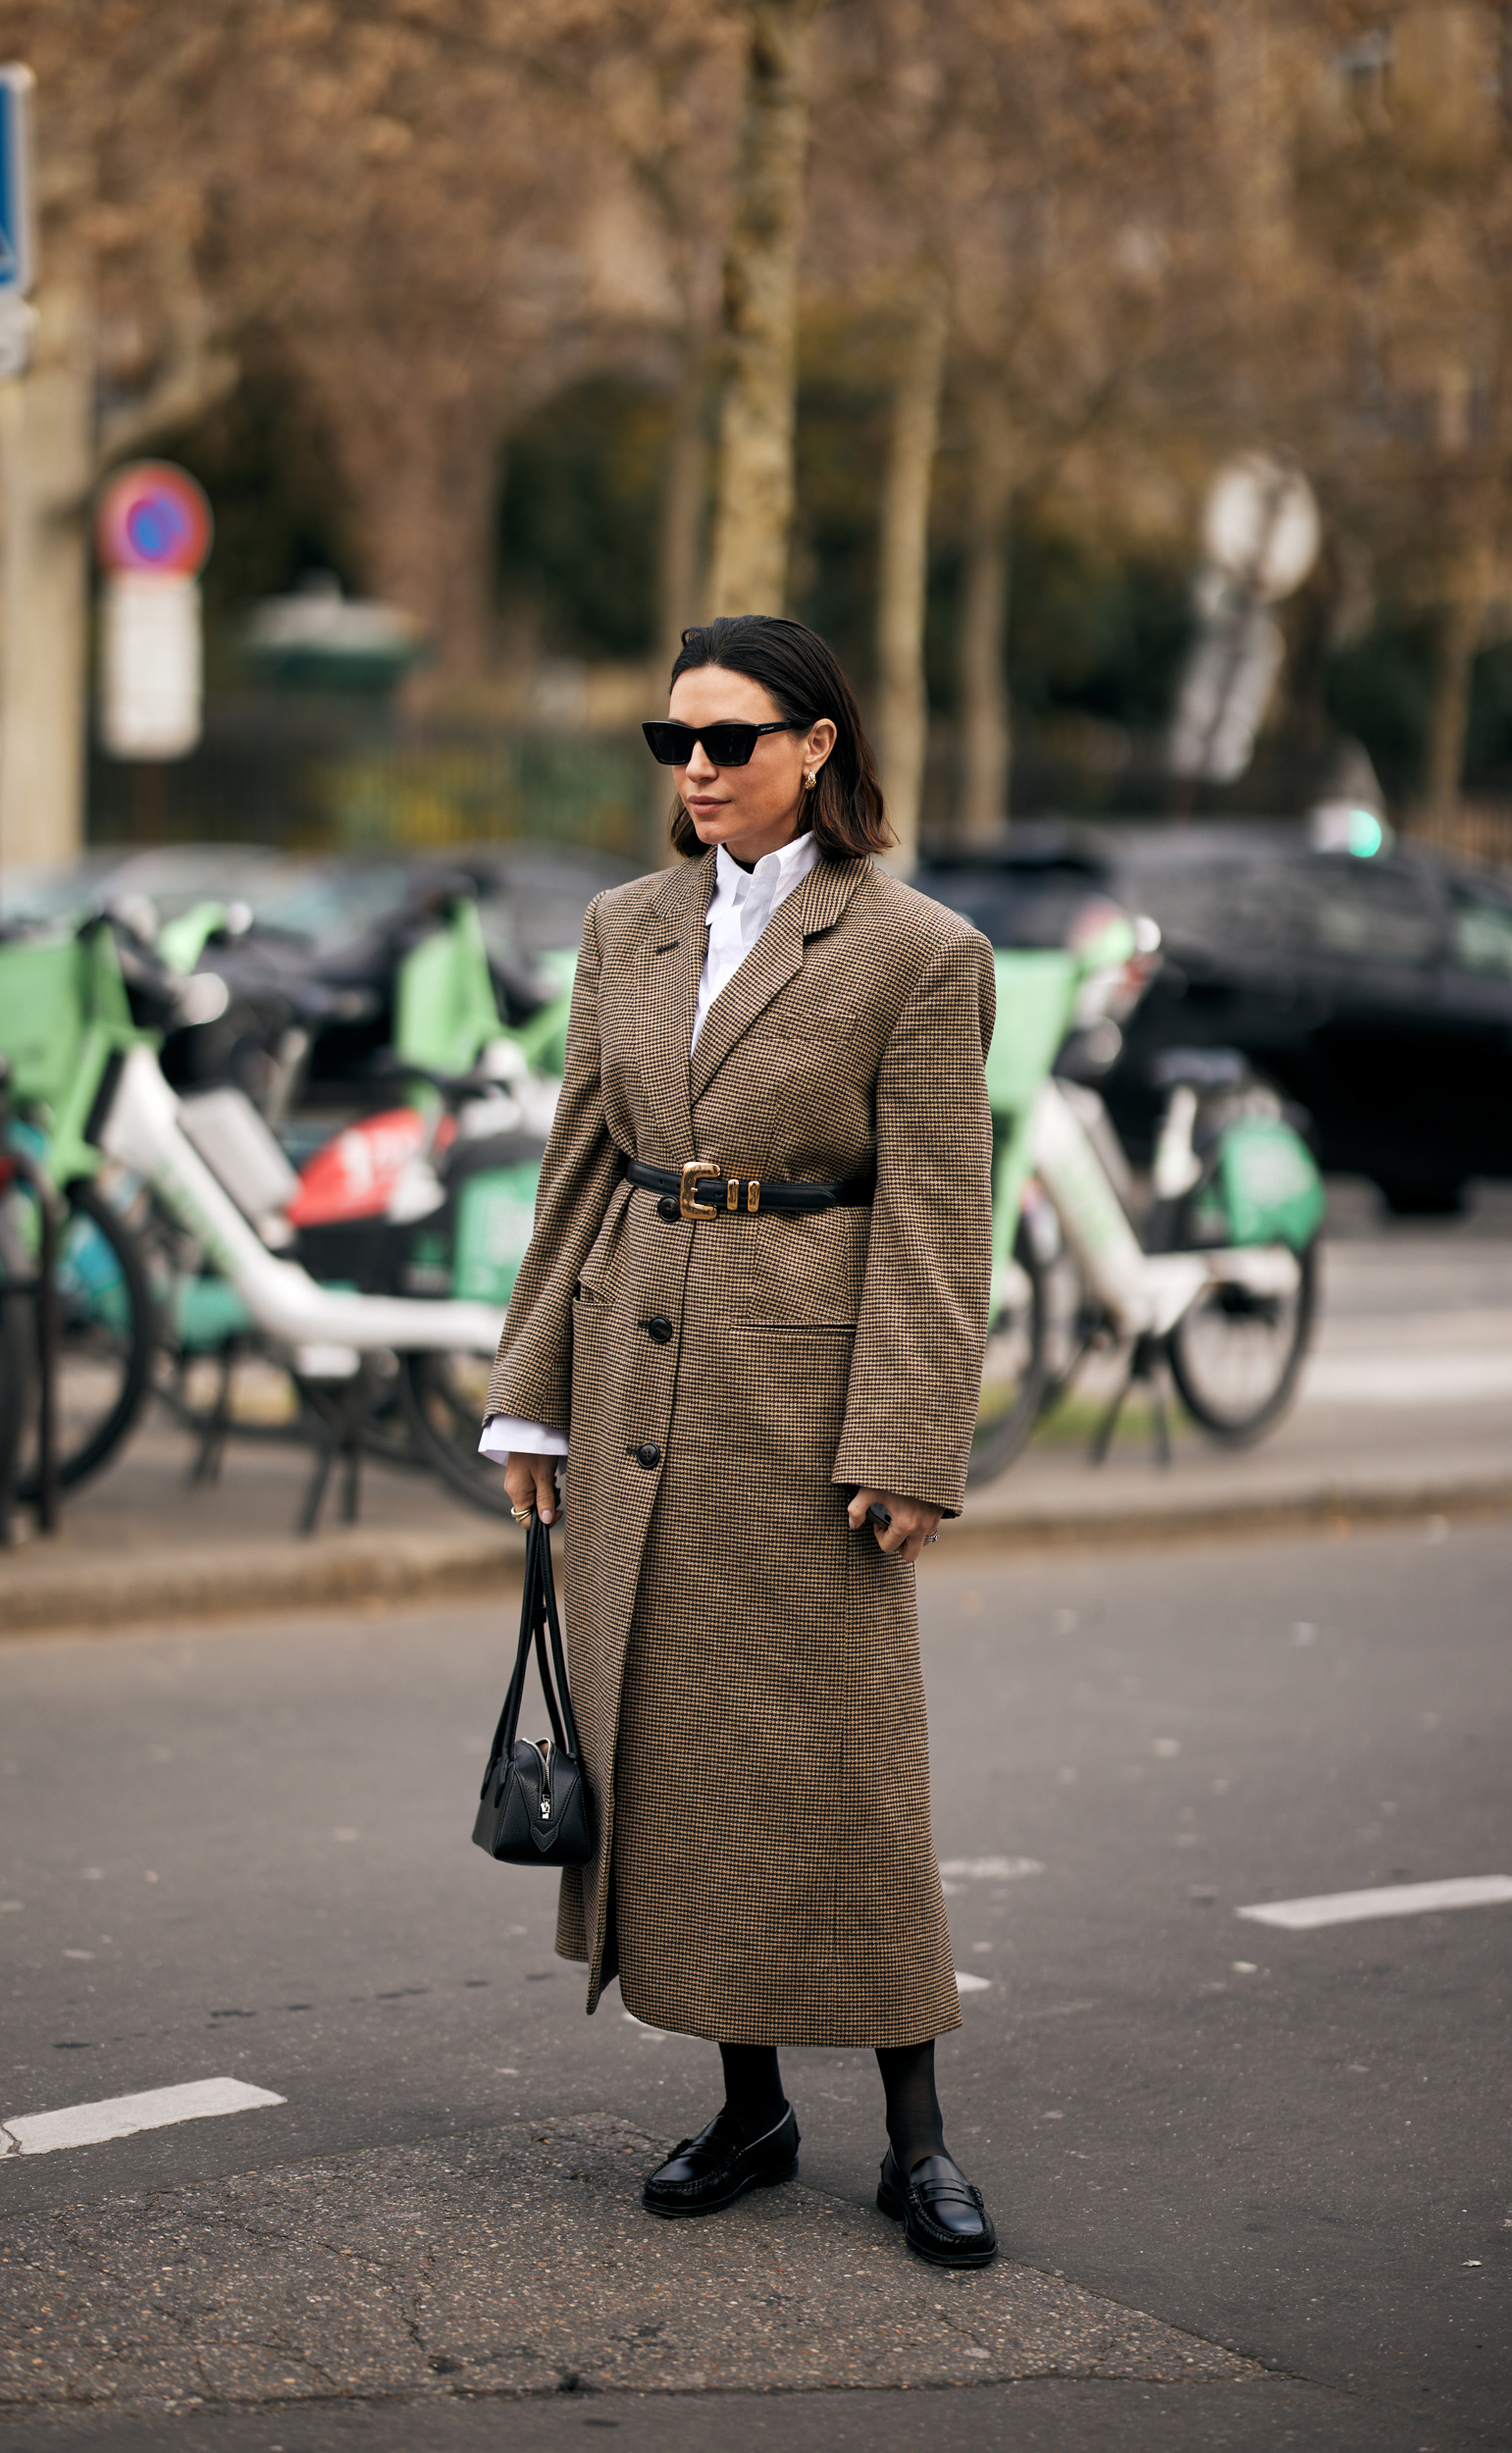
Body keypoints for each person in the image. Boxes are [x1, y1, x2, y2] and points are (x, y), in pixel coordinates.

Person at [480, 614, 998, 2268]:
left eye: (728, 742)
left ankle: (917, 2137)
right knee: (671, 1763)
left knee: (845, 1774)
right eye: (672, 744)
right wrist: (528, 1390)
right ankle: (751, 2102)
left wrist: (912, 1442)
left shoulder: (920, 953)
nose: (694, 771)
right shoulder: (623, 928)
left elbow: (937, 1224)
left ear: (818, 746)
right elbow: (579, 1171)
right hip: (632, 1389)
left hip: (805, 1407)